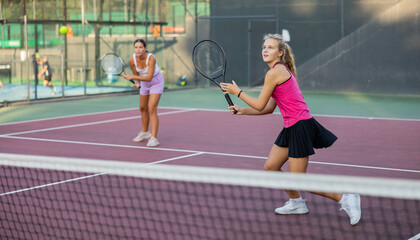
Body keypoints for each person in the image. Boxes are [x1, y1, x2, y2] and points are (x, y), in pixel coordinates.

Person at [220, 33, 361, 225]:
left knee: (299, 180)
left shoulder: (275, 72)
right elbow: (269, 108)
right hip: (291, 127)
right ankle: (296, 203)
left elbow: (260, 104)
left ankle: (345, 198)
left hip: (301, 126)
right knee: (271, 167)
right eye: (263, 47)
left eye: (270, 47)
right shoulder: (277, 72)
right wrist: (243, 111)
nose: (265, 50)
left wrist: (238, 92)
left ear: (280, 53)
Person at [123, 39, 164, 147]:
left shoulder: (151, 58)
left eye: (140, 47)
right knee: (142, 108)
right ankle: (145, 133)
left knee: (152, 108)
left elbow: (149, 77)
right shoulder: (132, 60)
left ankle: (154, 138)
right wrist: (136, 82)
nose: (138, 49)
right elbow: (137, 76)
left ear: (145, 49)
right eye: (136, 47)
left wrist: (132, 77)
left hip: (156, 81)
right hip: (145, 83)